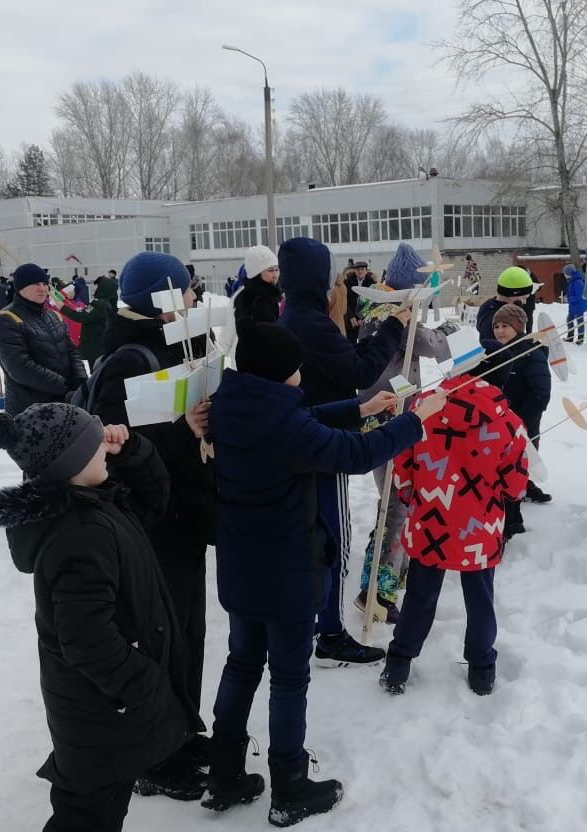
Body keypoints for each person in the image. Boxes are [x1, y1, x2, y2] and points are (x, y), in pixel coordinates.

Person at [204, 321, 441, 825]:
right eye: (295, 367)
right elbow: (353, 456)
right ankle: (289, 784)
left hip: (241, 568)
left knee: (242, 663)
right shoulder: (286, 425)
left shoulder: (231, 403)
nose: (300, 374)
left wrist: (361, 409)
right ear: (278, 371)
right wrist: (413, 422)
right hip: (286, 570)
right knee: (289, 677)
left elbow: (303, 419)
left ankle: (223, 771)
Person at [0, 404, 204, 831]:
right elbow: (86, 638)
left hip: (104, 708)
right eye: (93, 440)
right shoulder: (81, 533)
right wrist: (145, 683)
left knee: (100, 806)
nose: (105, 442)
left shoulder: (96, 501)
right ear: (71, 463)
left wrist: (134, 450)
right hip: (100, 711)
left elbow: (153, 504)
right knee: (88, 815)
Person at [87, 250, 217, 798]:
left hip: (181, 515)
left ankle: (183, 729)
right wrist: (186, 429)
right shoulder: (126, 360)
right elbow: (120, 447)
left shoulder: (173, 343)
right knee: (159, 636)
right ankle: (156, 756)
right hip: (150, 524)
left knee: (187, 628)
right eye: (186, 291)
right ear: (162, 300)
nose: (193, 298)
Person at [277, 237, 409, 666]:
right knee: (335, 538)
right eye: (330, 274)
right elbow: (360, 368)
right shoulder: (311, 323)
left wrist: (358, 406)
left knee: (314, 536)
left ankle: (315, 620)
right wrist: (394, 327)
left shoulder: (292, 316)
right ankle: (329, 630)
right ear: (318, 278)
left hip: (306, 433)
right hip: (322, 441)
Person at [380, 370, 530, 698]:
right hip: (480, 526)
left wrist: (411, 497)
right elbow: (516, 485)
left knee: (419, 594)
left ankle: (399, 661)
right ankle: (481, 668)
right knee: (480, 597)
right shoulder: (507, 421)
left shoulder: (423, 408)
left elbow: (403, 467)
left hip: (430, 520)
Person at [354, 244, 457, 623]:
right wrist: (446, 330)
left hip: (383, 413)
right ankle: (376, 590)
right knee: (396, 504)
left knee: (394, 501)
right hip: (390, 416)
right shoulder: (394, 316)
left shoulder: (375, 308)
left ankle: (390, 571)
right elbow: (434, 346)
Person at [0, 263, 87, 416]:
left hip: (64, 404)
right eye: (36, 284)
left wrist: (80, 380)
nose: (42, 288)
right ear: (21, 288)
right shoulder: (6, 319)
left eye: (45, 283)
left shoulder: (53, 315)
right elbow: (20, 368)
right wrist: (65, 386)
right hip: (30, 410)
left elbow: (71, 351)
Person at [491, 302, 552, 529]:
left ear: (519, 327)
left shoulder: (531, 354)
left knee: (515, 468)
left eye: (505, 326)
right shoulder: (497, 352)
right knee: (503, 469)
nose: (499, 331)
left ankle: (513, 522)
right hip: (499, 425)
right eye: (496, 326)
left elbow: (540, 394)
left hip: (522, 425)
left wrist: (519, 424)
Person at [59, 275, 118, 366]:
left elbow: (81, 316)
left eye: (97, 286)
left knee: (96, 370)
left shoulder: (99, 304)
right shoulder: (105, 303)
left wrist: (62, 308)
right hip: (99, 344)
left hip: (94, 345)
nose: (94, 288)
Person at [475, 266, 535, 345]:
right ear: (511, 294)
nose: (524, 302)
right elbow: (505, 350)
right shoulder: (495, 317)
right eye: (523, 297)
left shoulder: (493, 307)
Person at [233, 245, 281, 327]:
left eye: (276, 270)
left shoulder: (269, 295)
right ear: (256, 273)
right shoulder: (256, 300)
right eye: (270, 270)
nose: (275, 275)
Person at [344, 260, 375, 343]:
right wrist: (351, 316)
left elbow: (373, 302)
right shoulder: (347, 282)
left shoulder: (372, 283)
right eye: (358, 269)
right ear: (354, 270)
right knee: (351, 344)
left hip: (366, 319)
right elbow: (345, 301)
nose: (360, 271)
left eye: (362, 269)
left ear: (366, 271)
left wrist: (363, 317)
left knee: (365, 344)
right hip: (351, 320)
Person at [564, 262, 587, 344]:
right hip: (573, 305)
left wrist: (569, 299)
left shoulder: (578, 282)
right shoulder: (572, 281)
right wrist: (567, 296)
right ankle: (570, 337)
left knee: (580, 322)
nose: (565, 275)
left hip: (579, 305)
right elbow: (572, 292)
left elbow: (580, 296)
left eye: (565, 273)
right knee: (569, 320)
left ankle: (580, 339)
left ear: (569, 273)